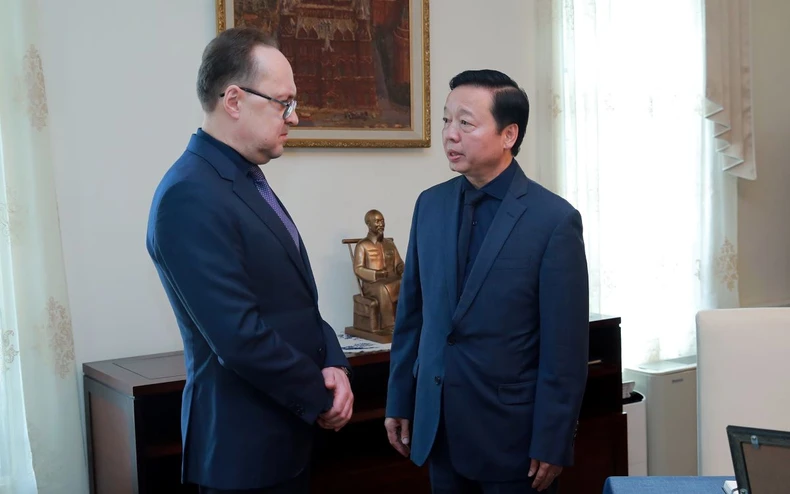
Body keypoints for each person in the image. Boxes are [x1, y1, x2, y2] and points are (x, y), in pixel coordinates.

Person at [146, 28, 353, 494]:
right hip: (243, 452)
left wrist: (336, 365)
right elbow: (239, 336)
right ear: (234, 100)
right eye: (283, 103)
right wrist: (319, 393)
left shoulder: (243, 177)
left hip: (282, 439)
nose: (294, 117)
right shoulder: (190, 194)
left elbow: (295, 302)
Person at [384, 69, 590, 494]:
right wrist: (400, 398)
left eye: (466, 122)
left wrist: (553, 439)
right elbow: (413, 315)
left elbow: (565, 349)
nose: (450, 134)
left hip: (514, 441)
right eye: (446, 120)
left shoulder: (553, 221)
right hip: (438, 429)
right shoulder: (430, 205)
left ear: (508, 134)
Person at [352, 209, 405, 330]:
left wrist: (403, 269)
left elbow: (399, 263)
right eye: (377, 221)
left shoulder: (389, 243)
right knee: (383, 288)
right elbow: (358, 269)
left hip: (393, 279)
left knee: (409, 282)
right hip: (373, 284)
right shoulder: (362, 245)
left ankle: (408, 320)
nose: (381, 224)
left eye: (382, 221)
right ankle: (389, 324)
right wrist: (376, 274)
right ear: (369, 224)